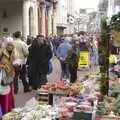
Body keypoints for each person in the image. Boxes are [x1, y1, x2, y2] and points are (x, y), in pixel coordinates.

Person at [0, 42, 15, 114]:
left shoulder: (11, 53)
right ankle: (5, 110)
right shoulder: (3, 53)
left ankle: (9, 109)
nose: (10, 48)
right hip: (3, 77)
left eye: (11, 46)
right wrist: (4, 66)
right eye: (9, 46)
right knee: (4, 95)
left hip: (9, 77)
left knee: (8, 94)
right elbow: (2, 64)